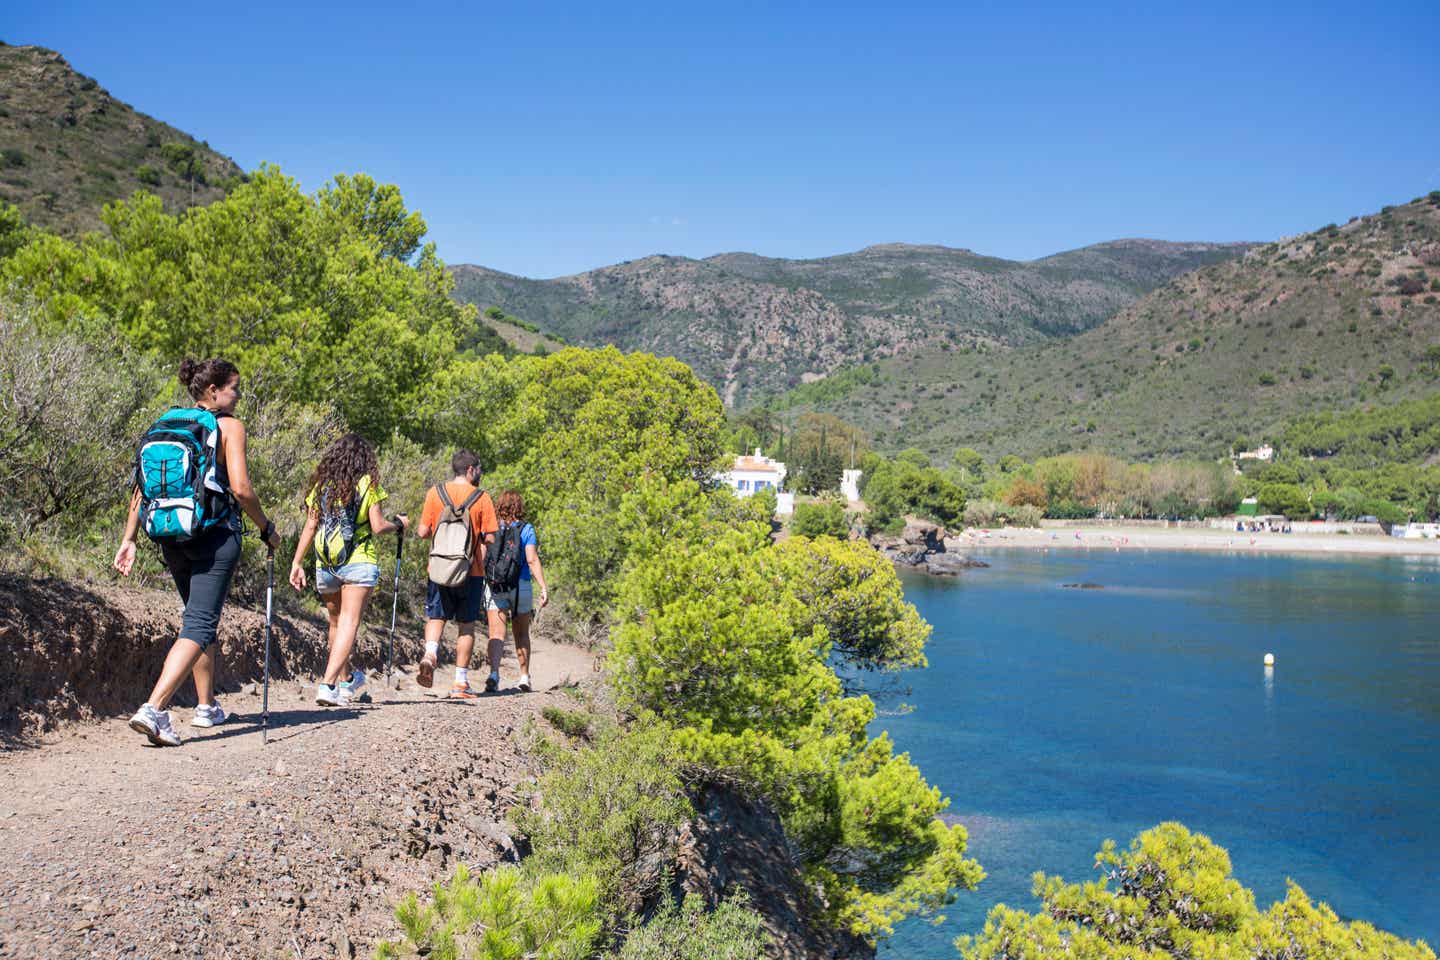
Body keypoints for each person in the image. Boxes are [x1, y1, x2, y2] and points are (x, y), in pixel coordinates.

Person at [115, 358, 283, 746]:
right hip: (213, 536)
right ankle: (154, 709)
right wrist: (267, 529)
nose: (238, 395)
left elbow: (141, 489)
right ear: (214, 391)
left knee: (197, 618)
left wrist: (130, 539)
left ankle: (206, 706)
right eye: (234, 388)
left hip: (172, 536)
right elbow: (240, 489)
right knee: (200, 624)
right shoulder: (229, 427)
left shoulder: (167, 423)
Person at [288, 433, 406, 706]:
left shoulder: (321, 485)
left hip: (326, 562)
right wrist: (399, 524)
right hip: (358, 561)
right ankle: (327, 685)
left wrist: (296, 562)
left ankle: (345, 682)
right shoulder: (368, 484)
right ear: (364, 459)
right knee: (349, 623)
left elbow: (310, 525)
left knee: (336, 623)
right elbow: (377, 527)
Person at [414, 450, 497, 698]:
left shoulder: (434, 493)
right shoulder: (482, 498)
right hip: (470, 570)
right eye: (479, 468)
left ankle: (430, 653)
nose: (480, 472)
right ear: (471, 469)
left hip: (438, 569)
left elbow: (421, 532)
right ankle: (460, 682)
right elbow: (490, 537)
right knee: (466, 625)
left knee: (436, 617)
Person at [483, 490, 550, 693]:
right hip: (521, 586)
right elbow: (531, 559)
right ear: (520, 507)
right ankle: (523, 677)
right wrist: (543, 586)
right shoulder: (526, 528)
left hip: (495, 585)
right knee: (521, 633)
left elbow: (483, 554)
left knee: (496, 633)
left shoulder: (491, 526)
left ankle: (494, 674)